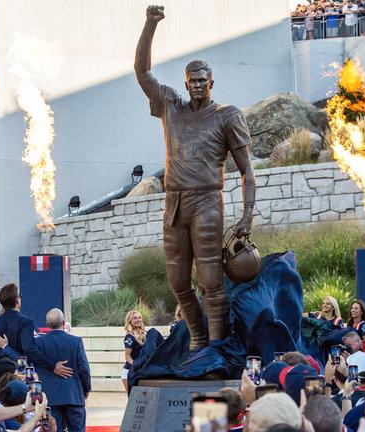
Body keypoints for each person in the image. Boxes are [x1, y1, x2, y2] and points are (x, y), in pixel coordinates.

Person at [134, 5, 257, 352]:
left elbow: (247, 170)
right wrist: (150, 24)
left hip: (207, 201)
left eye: (204, 80)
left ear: (211, 83)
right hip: (174, 202)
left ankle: (216, 346)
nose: (198, 85)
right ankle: (198, 340)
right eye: (193, 81)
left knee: (210, 280)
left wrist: (247, 215)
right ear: (186, 83)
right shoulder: (171, 106)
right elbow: (141, 71)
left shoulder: (227, 115)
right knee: (178, 282)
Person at [0, 283, 72, 378]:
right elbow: (30, 351)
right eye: (20, 296)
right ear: (17, 300)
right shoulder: (26, 322)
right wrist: (52, 366)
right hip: (20, 375)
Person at [33, 308, 91, 432]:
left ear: (47, 324)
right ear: (64, 323)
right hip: (73, 395)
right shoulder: (75, 341)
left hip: (50, 398)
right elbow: (84, 369)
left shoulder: (38, 343)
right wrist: (86, 389)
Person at [122, 310, 146, 391]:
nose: (138, 320)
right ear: (130, 321)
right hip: (130, 372)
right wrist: (136, 365)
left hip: (140, 371)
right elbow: (127, 356)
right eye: (135, 318)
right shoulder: (129, 336)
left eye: (139, 318)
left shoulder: (144, 333)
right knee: (132, 397)